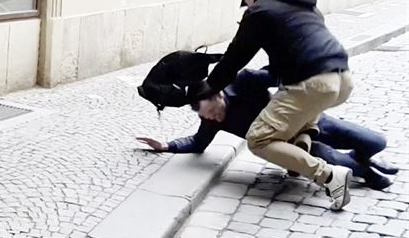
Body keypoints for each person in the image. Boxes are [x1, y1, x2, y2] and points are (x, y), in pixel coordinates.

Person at [186, 0, 354, 210]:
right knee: (299, 106)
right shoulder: (305, 5)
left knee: (259, 139)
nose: (247, 8)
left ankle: (330, 177)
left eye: (247, 2)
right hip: (342, 79)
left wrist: (208, 87)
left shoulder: (259, 11)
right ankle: (303, 140)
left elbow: (235, 58)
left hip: (312, 82)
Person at [137, 69, 397, 191]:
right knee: (332, 158)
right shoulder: (212, 120)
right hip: (294, 147)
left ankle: (365, 156)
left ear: (218, 95)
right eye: (208, 118)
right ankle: (367, 171)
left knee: (376, 142)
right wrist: (166, 146)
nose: (214, 119)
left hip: (312, 122)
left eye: (213, 111)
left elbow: (285, 75)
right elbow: (197, 142)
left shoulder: (244, 80)